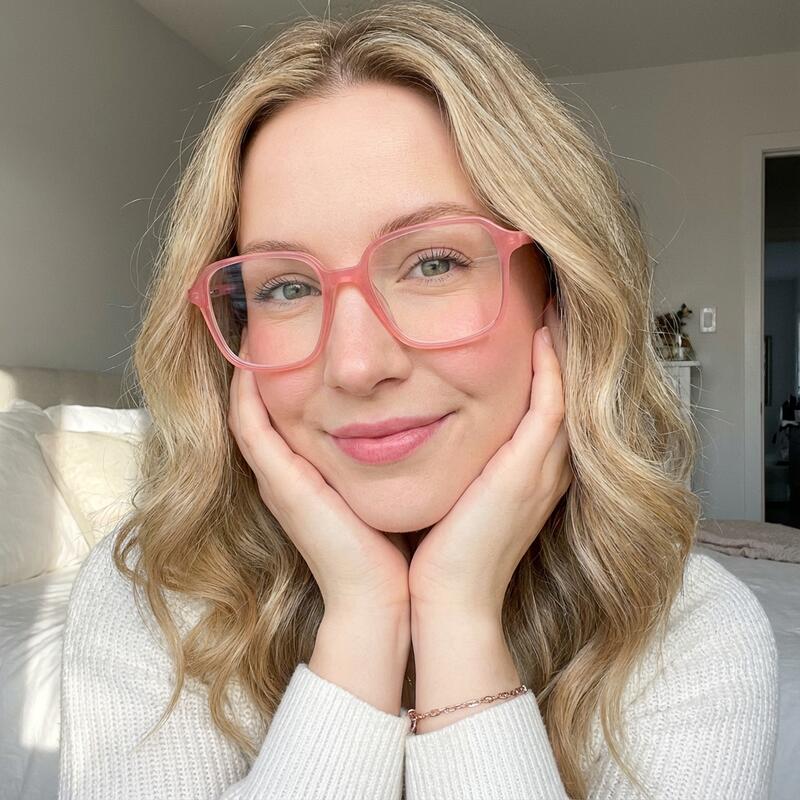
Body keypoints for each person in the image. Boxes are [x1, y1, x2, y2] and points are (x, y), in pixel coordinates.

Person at [57, 1, 778, 798]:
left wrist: (459, 618)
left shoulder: (693, 634)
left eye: (433, 263)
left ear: (560, 296)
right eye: (286, 286)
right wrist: (362, 624)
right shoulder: (151, 600)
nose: (356, 364)